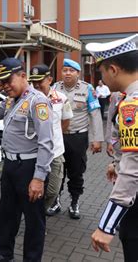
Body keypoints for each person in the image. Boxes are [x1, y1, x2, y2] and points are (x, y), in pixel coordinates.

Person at [0, 58, 54, 262]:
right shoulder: (10, 99)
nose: (6, 86)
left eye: (9, 81)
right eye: (2, 82)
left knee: (34, 220)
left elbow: (46, 143)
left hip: (30, 167)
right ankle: (3, 253)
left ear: (23, 76)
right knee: (6, 214)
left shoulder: (38, 101)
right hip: (10, 166)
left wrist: (39, 178)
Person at [87, 34, 138, 262]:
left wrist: (106, 226)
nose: (102, 78)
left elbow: (134, 168)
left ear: (114, 70)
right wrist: (116, 163)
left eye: (102, 71)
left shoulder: (132, 105)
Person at [51, 58, 104, 219]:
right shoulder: (54, 88)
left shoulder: (87, 89)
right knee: (57, 169)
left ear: (78, 73)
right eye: (64, 70)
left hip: (78, 137)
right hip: (58, 137)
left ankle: (74, 202)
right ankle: (55, 200)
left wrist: (97, 139)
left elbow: (95, 114)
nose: (67, 73)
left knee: (76, 172)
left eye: (71, 70)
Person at [29, 64, 73, 216]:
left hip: (55, 153)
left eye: (39, 81)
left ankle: (39, 213)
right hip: (35, 153)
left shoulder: (61, 98)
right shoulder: (28, 99)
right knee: (34, 188)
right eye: (33, 81)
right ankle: (36, 219)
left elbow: (66, 122)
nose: (36, 85)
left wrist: (51, 137)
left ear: (49, 79)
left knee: (53, 190)